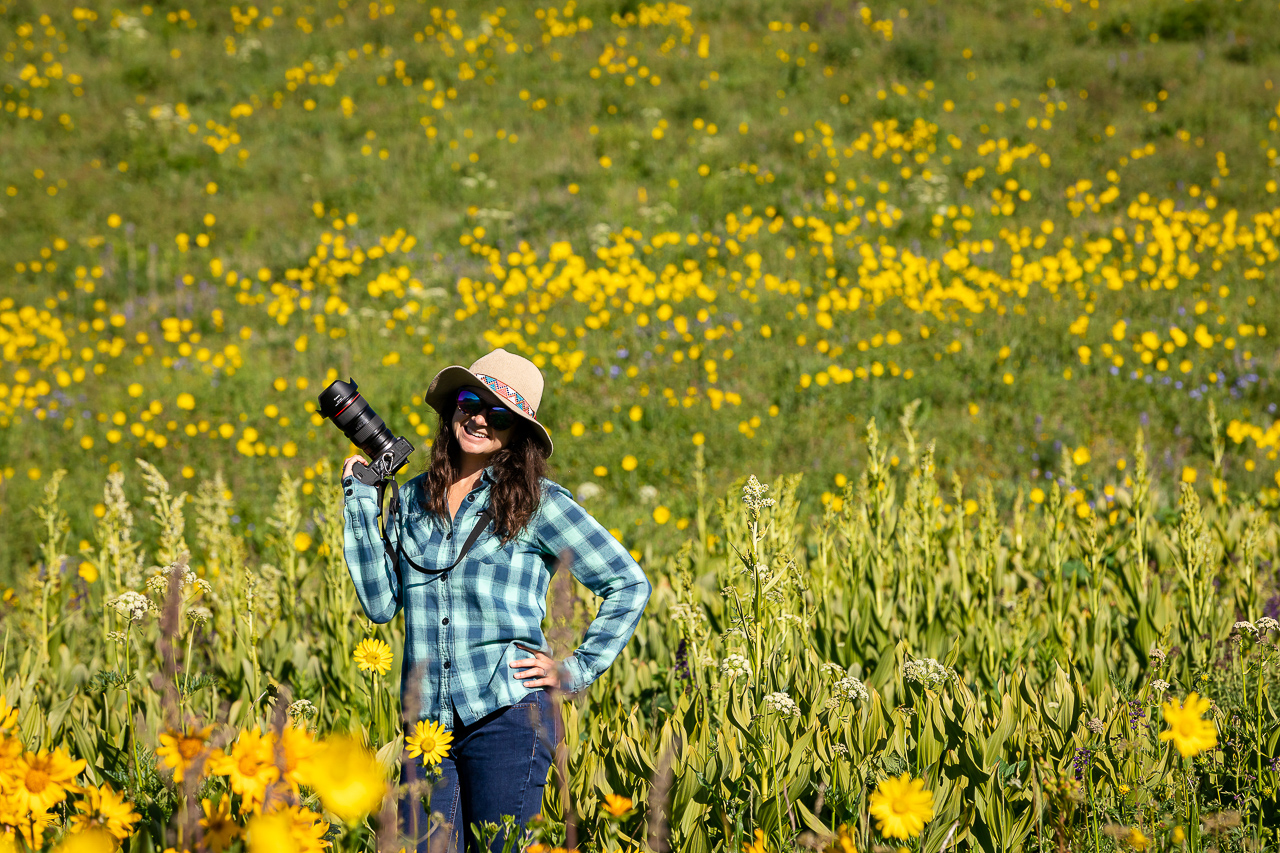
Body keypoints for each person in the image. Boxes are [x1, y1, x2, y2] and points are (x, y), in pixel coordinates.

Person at [339, 348, 652, 853]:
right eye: (470, 401)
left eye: (499, 413)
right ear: (452, 409)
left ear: (517, 433)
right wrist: (360, 502)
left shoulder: (539, 503)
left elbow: (628, 582)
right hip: (427, 730)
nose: (479, 417)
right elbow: (379, 605)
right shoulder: (412, 500)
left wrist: (575, 670)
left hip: (508, 716)